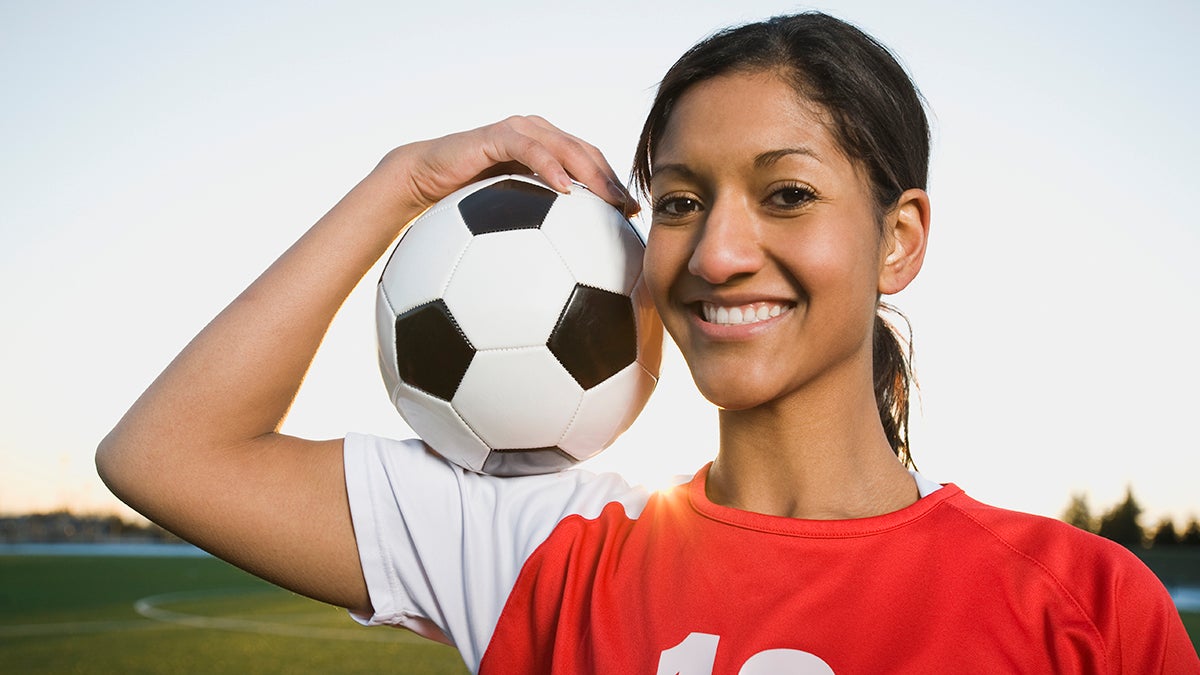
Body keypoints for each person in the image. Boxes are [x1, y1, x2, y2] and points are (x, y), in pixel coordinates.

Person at [96, 11, 1199, 674]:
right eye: (677, 201)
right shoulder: (546, 547)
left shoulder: (1085, 608)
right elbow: (167, 455)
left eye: (787, 194)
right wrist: (406, 181)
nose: (718, 252)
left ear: (898, 240)